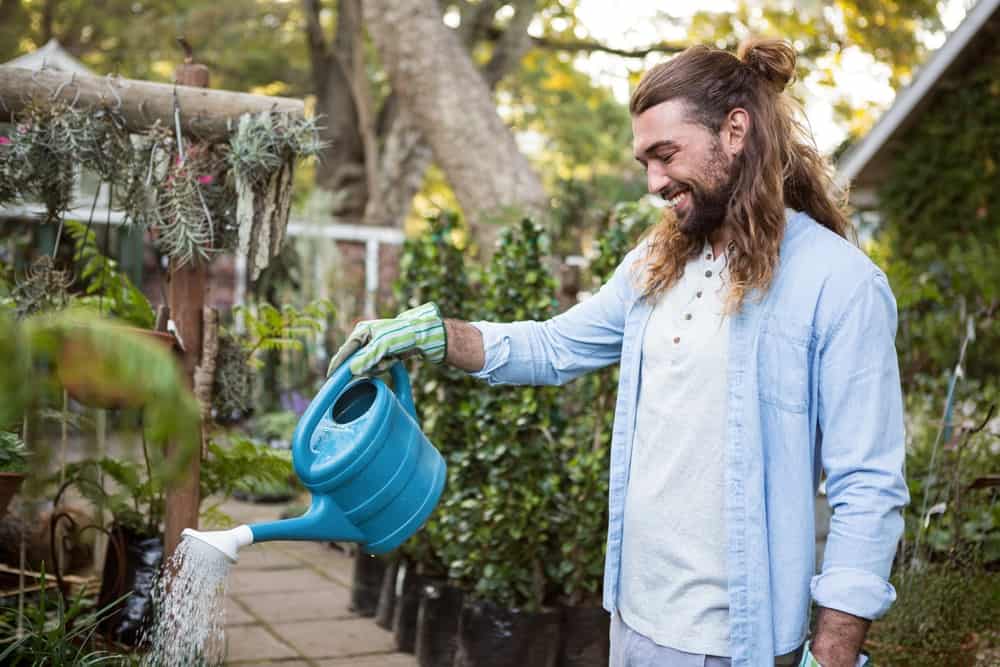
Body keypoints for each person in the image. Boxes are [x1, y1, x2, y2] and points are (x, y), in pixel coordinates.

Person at [328, 39, 908, 667]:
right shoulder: (656, 265)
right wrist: (438, 334)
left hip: (733, 641)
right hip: (631, 617)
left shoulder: (839, 283)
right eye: (645, 162)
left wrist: (834, 654)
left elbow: (868, 485)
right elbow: (554, 346)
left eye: (666, 154)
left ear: (735, 131)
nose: (655, 181)